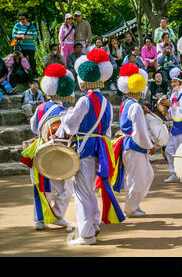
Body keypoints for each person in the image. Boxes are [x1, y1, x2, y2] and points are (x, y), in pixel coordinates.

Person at [55, 48, 125, 245]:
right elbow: (107, 130)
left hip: (85, 148)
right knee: (89, 190)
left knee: (82, 191)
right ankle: (93, 225)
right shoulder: (106, 102)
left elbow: (70, 125)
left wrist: (64, 116)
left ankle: (86, 234)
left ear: (82, 80)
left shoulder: (85, 100)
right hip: (100, 148)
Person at [22, 64, 75, 230]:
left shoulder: (40, 108)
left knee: (41, 186)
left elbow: (33, 127)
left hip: (40, 149)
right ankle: (58, 215)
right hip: (59, 152)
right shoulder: (63, 111)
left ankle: (40, 220)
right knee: (65, 187)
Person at [115, 63, 156, 217]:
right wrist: (150, 145)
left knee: (146, 175)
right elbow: (140, 130)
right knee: (137, 178)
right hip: (135, 144)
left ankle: (134, 204)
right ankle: (131, 208)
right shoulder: (135, 107)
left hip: (131, 144)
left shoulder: (128, 103)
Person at [12, 11, 38, 77]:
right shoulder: (17, 25)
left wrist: (28, 37)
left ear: (26, 18)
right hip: (21, 46)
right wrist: (21, 37)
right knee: (22, 60)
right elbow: (13, 35)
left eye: (23, 19)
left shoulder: (31, 26)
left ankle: (34, 73)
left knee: (32, 59)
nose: (22, 20)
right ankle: (25, 74)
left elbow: (35, 35)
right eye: (20, 19)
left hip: (30, 46)